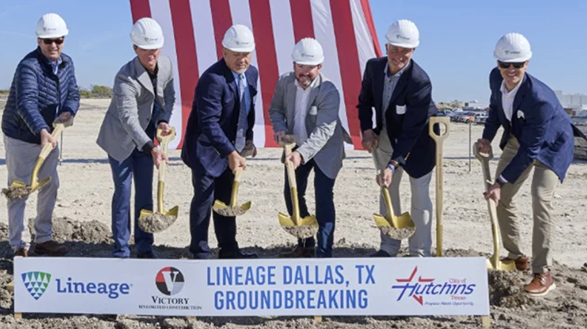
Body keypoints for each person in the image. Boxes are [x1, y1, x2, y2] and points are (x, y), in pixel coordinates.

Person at [476, 33, 578, 296]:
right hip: (519, 136)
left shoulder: (539, 98)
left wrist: (499, 182)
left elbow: (531, 150)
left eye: (517, 65)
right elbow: (496, 109)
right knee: (501, 199)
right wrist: (487, 137)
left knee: (540, 198)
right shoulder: (494, 78)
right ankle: (516, 256)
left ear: (527, 64)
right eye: (505, 64)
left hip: (550, 145)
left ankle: (543, 272)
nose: (511, 70)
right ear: (497, 63)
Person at [1, 13, 80, 258]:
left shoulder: (67, 63)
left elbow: (73, 94)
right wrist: (42, 130)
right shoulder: (29, 66)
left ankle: (43, 238)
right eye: (48, 41)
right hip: (22, 136)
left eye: (58, 40)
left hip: (51, 135)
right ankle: (19, 245)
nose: (54, 45)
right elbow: (25, 103)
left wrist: (68, 112)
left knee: (50, 185)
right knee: (20, 189)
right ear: (39, 41)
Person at [96, 18, 175, 259]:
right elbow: (129, 119)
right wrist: (151, 146)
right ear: (134, 48)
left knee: (145, 193)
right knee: (123, 192)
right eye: (146, 48)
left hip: (147, 137)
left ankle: (144, 246)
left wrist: (162, 120)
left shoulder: (167, 65)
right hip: (121, 140)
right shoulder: (125, 78)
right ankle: (120, 249)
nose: (151, 53)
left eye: (155, 48)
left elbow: (169, 98)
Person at [357, 19, 438, 257]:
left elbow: (412, 130)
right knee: (387, 190)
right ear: (386, 46)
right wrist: (367, 129)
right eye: (395, 49)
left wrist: (394, 163)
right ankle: (389, 246)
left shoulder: (419, 81)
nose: (399, 55)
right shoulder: (373, 68)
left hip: (419, 143)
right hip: (386, 136)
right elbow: (364, 103)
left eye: (406, 50)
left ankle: (420, 252)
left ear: (414, 50)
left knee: (419, 198)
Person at [181, 24, 259, 259]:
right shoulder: (212, 79)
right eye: (236, 54)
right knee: (204, 200)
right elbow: (209, 123)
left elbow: (246, 110)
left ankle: (229, 250)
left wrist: (247, 140)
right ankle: (200, 251)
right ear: (224, 51)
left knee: (227, 199)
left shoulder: (252, 73)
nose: (241, 59)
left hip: (231, 148)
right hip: (205, 150)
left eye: (246, 54)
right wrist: (230, 152)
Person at [268, 38, 348, 257]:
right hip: (295, 147)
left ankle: (324, 251)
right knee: (291, 193)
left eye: (310, 68)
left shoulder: (329, 91)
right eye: (300, 66)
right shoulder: (284, 82)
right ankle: (306, 244)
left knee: (323, 196)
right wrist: (281, 128)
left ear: (319, 67)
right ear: (293, 65)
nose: (304, 72)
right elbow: (275, 110)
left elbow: (323, 131)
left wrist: (300, 155)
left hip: (325, 150)